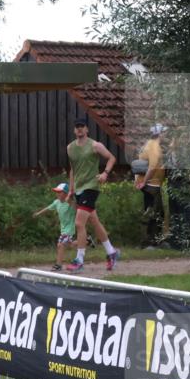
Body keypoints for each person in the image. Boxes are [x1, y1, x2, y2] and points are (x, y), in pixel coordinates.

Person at [65, 117, 120, 272]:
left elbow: (111, 158)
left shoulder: (95, 145)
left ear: (87, 129)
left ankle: (79, 260)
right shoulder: (70, 148)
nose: (79, 129)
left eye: (82, 126)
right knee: (94, 222)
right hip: (79, 189)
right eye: (77, 127)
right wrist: (70, 190)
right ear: (74, 130)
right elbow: (73, 170)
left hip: (91, 187)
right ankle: (111, 252)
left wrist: (105, 173)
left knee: (79, 223)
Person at [135, 123, 168, 249]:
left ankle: (152, 240)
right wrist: (145, 181)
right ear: (159, 134)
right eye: (164, 132)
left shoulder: (148, 144)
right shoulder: (154, 147)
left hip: (150, 184)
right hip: (152, 185)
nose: (166, 134)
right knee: (155, 212)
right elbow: (153, 166)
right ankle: (150, 242)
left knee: (153, 211)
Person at [33, 182, 76, 271]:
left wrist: (71, 198)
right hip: (63, 229)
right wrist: (38, 213)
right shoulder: (56, 202)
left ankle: (58, 265)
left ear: (65, 194)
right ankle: (86, 241)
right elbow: (48, 208)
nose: (57, 194)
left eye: (59, 192)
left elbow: (78, 208)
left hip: (70, 229)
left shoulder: (70, 203)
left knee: (60, 245)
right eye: (56, 192)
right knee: (70, 245)